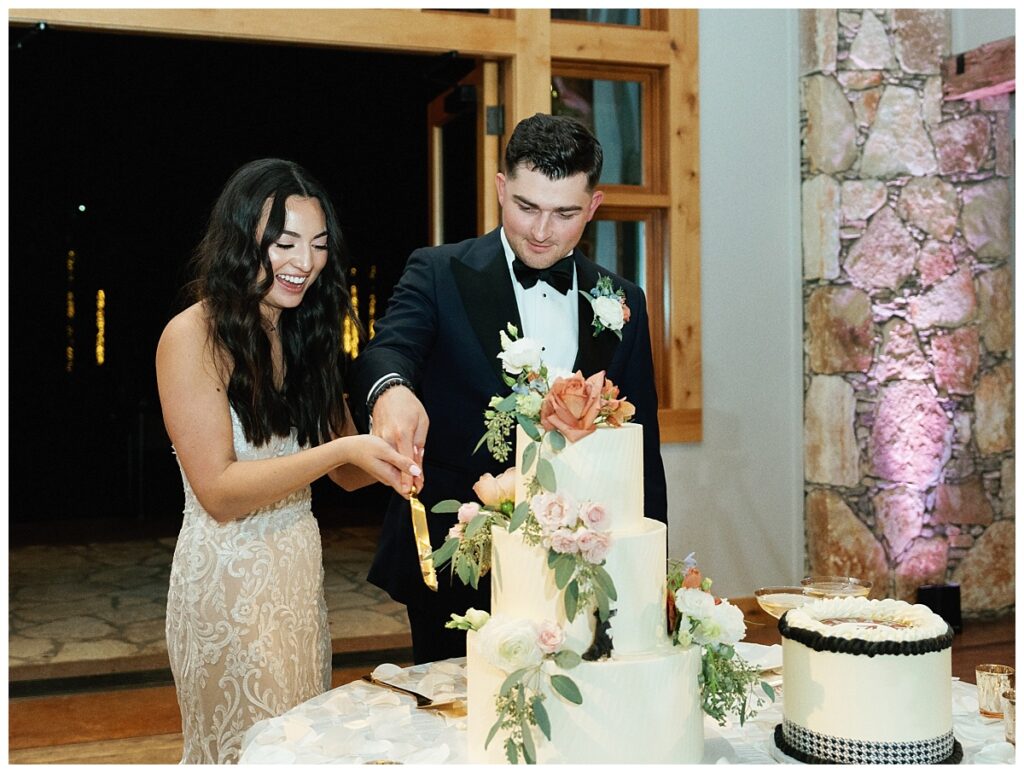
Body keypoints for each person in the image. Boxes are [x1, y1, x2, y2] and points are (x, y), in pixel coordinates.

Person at [351, 114, 668, 664]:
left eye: (565, 213)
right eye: (526, 207)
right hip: (459, 559)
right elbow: (387, 351)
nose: (542, 231)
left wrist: (651, 569)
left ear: (593, 206)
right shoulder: (437, 271)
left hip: (582, 563)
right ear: (501, 189)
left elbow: (641, 448)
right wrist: (391, 390)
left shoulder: (622, 300)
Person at [156, 158, 419, 764]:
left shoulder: (306, 332)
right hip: (226, 580)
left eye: (319, 245)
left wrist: (391, 453)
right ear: (241, 237)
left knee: (303, 746)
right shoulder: (191, 336)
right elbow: (218, 491)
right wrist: (343, 449)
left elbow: (347, 471)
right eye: (285, 242)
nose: (305, 261)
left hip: (297, 581)